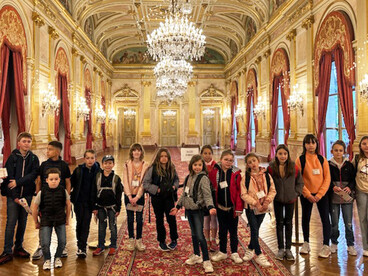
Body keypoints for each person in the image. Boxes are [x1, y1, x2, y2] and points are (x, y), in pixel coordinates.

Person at [170, 155, 216, 273]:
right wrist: (178, 207)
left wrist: (210, 207)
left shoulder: (203, 178)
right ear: (191, 165)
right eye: (195, 165)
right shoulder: (188, 177)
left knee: (200, 235)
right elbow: (184, 194)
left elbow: (207, 195)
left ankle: (206, 260)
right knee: (194, 234)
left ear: (203, 166)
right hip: (189, 211)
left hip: (197, 211)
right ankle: (196, 255)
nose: (197, 167)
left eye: (200, 165)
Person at [0, 132, 39, 265]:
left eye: (29, 141)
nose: (26, 143)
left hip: (27, 195)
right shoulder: (12, 158)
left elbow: (33, 174)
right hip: (13, 196)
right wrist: (16, 196)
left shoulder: (33, 158)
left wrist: (19, 182)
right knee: (11, 222)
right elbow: (10, 180)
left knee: (23, 222)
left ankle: (18, 247)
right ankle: (7, 251)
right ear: (19, 143)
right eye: (24, 141)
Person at [32, 141, 71, 260]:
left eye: (50, 149)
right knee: (44, 223)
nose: (47, 151)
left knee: (61, 222)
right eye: (47, 149)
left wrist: (66, 198)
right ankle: (41, 246)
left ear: (57, 152)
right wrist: (38, 196)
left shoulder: (64, 165)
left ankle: (62, 246)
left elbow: (68, 183)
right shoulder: (43, 165)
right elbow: (38, 181)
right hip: (45, 198)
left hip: (60, 198)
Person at [295, 134, 331, 258]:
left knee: (325, 218)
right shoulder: (300, 160)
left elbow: (327, 179)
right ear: (304, 145)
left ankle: (326, 245)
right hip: (306, 194)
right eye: (308, 143)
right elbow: (299, 179)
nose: (311, 145)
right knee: (306, 217)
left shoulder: (322, 159)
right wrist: (308, 194)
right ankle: (306, 242)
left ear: (317, 144)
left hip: (322, 194)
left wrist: (320, 194)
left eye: (313, 143)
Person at [267, 145, 303, 261]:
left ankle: (288, 249)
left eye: (285, 154)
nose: (283, 156)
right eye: (280, 154)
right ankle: (280, 248)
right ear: (276, 155)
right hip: (277, 199)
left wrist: (296, 193)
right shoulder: (271, 168)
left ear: (288, 155)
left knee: (288, 222)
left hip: (290, 199)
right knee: (279, 223)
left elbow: (300, 182)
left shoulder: (294, 167)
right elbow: (268, 183)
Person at [31, 168, 71, 270]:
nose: (54, 181)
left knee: (62, 242)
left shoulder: (63, 191)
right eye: (51, 179)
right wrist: (36, 222)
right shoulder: (42, 192)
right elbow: (35, 207)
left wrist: (67, 219)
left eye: (56, 179)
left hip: (60, 219)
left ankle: (57, 257)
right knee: (45, 243)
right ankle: (47, 259)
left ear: (59, 179)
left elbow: (68, 205)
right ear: (47, 180)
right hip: (46, 220)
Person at [241, 152, 276, 267]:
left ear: (258, 161)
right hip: (251, 208)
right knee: (254, 230)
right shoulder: (245, 177)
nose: (253, 164)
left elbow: (272, 190)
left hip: (264, 208)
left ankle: (250, 248)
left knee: (256, 230)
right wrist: (256, 203)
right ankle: (259, 254)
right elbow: (244, 194)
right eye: (249, 162)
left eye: (254, 161)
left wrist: (266, 202)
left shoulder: (266, 175)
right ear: (247, 165)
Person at [209, 150, 243, 264]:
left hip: (232, 209)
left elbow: (239, 192)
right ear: (221, 159)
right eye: (226, 160)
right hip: (220, 207)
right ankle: (223, 252)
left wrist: (238, 208)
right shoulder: (214, 172)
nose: (228, 162)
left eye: (231, 160)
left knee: (233, 231)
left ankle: (234, 252)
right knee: (222, 231)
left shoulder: (236, 173)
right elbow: (212, 189)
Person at [143, 148, 179, 251]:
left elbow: (176, 179)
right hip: (157, 198)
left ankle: (174, 239)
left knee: (171, 218)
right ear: (158, 157)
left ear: (168, 158)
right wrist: (157, 190)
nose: (164, 158)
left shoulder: (171, 167)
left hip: (169, 197)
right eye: (162, 156)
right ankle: (162, 241)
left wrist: (174, 187)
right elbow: (146, 183)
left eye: (166, 156)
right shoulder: (152, 169)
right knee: (159, 219)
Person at [328, 140, 357, 256]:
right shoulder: (328, 164)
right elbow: (326, 180)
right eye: (336, 150)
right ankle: (334, 243)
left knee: (348, 223)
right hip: (333, 199)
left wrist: (350, 187)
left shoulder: (349, 165)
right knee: (334, 223)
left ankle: (350, 245)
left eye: (341, 150)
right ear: (332, 151)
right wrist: (332, 187)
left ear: (344, 152)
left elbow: (354, 180)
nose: (338, 153)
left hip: (347, 199)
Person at [70, 149, 100, 258]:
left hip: (90, 203)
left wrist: (96, 205)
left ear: (95, 159)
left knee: (86, 224)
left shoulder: (98, 171)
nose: (90, 160)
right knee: (79, 223)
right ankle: (79, 244)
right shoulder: (79, 170)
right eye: (88, 158)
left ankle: (82, 247)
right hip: (79, 201)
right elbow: (71, 183)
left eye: (92, 158)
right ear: (84, 159)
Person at [91, 155, 123, 256]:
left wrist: (118, 208)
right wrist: (94, 207)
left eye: (110, 163)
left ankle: (113, 246)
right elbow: (93, 192)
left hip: (112, 207)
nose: (108, 165)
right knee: (101, 227)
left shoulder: (116, 179)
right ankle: (100, 245)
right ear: (102, 164)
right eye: (105, 163)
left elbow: (119, 195)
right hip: (100, 207)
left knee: (113, 227)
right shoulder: (97, 177)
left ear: (113, 164)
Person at [122, 143, 149, 251]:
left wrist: (137, 197)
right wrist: (129, 195)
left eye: (138, 150)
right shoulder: (127, 164)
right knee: (129, 219)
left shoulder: (145, 165)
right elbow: (125, 180)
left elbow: (144, 183)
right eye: (134, 150)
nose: (136, 152)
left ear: (141, 152)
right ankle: (131, 240)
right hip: (128, 195)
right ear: (131, 152)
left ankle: (139, 240)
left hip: (139, 196)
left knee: (139, 219)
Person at [200, 145, 218, 252]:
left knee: (214, 218)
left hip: (214, 196)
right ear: (201, 154)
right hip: (204, 197)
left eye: (209, 153)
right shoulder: (199, 166)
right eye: (205, 153)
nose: (207, 155)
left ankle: (214, 239)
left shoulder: (217, 166)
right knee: (206, 218)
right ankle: (207, 239)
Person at [354, 136, 368, 257]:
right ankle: (366, 246)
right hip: (361, 191)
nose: (366, 146)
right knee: (363, 218)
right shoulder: (357, 158)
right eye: (364, 143)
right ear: (360, 146)